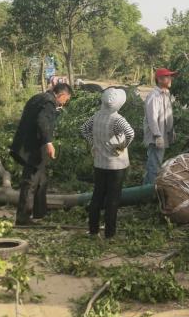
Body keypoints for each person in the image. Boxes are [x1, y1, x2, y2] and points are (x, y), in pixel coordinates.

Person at [11, 81, 72, 226]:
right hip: (35, 148)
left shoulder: (38, 97)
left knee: (41, 179)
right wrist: (48, 142)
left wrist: (56, 113)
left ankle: (40, 211)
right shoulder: (49, 103)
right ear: (62, 95)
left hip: (25, 145)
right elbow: (42, 121)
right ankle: (23, 217)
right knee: (30, 181)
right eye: (66, 100)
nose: (64, 103)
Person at [80, 87, 135, 239]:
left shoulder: (96, 116)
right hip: (116, 165)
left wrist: (93, 143)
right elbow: (130, 133)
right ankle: (110, 234)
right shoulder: (117, 119)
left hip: (99, 163)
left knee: (97, 196)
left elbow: (84, 129)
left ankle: (93, 230)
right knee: (112, 199)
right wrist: (122, 146)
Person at [143, 68, 176, 187]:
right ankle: (148, 191)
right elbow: (152, 118)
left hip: (163, 134)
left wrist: (171, 130)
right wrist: (157, 136)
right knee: (154, 163)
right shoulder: (154, 96)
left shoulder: (165, 94)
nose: (171, 79)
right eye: (168, 77)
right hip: (156, 136)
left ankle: (148, 187)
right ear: (160, 79)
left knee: (156, 161)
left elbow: (167, 116)